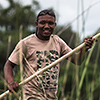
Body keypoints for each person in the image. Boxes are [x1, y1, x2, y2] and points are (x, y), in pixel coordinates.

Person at [4, 9, 94, 100]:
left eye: (50, 23)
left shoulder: (57, 42)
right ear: (36, 24)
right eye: (42, 23)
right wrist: (11, 82)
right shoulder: (26, 43)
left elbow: (77, 60)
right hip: (32, 96)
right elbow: (9, 65)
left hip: (51, 97)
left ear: (54, 25)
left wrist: (84, 49)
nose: (46, 26)